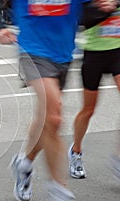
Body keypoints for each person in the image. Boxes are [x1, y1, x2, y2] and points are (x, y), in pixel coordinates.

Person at [0, 0, 117, 200]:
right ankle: (58, 188)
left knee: (46, 121)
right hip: (32, 51)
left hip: (63, 53)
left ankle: (24, 162)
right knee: (54, 117)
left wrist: (101, 6)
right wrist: (1, 26)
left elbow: (88, 9)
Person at [68, 1, 120, 179]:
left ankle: (119, 157)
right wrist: (102, 9)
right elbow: (83, 19)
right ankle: (76, 151)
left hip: (117, 51)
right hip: (94, 53)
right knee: (88, 109)